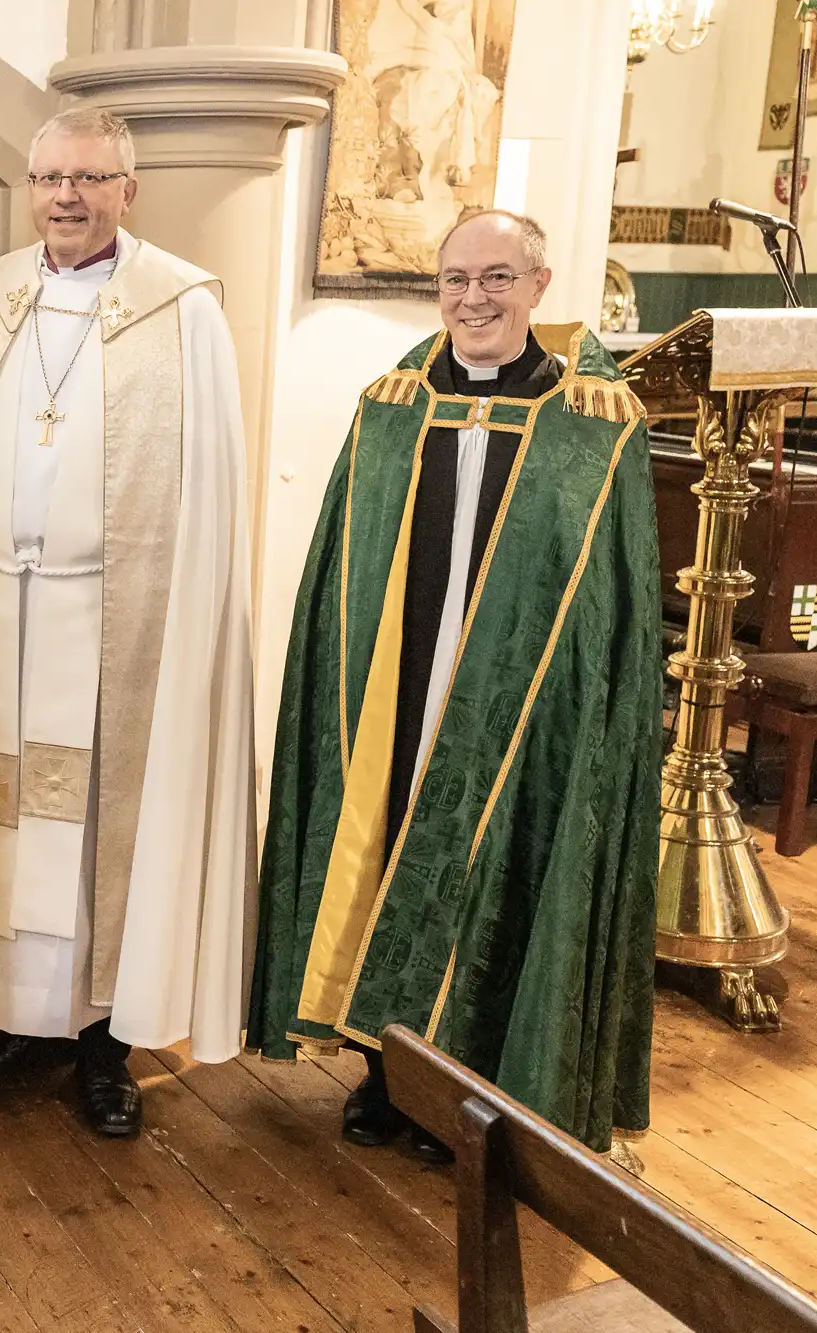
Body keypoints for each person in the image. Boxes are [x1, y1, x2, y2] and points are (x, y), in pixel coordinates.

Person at [248, 210, 661, 1160]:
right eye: (456, 279)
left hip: (520, 710)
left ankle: (472, 1090)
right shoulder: (393, 409)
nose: (473, 298)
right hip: (401, 690)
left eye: (497, 279)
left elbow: (614, 606)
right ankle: (384, 1072)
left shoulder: (590, 428)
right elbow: (338, 577)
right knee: (389, 839)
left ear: (540, 286)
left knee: (495, 863)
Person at [0, 108, 257, 1138]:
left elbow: (209, 485)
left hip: (114, 615)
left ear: (126, 190)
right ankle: (23, 1016)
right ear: (30, 186)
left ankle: (103, 1037)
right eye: (50, 178)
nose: (66, 197)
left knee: (95, 823)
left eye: (89, 179)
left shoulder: (181, 308)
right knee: (2, 811)